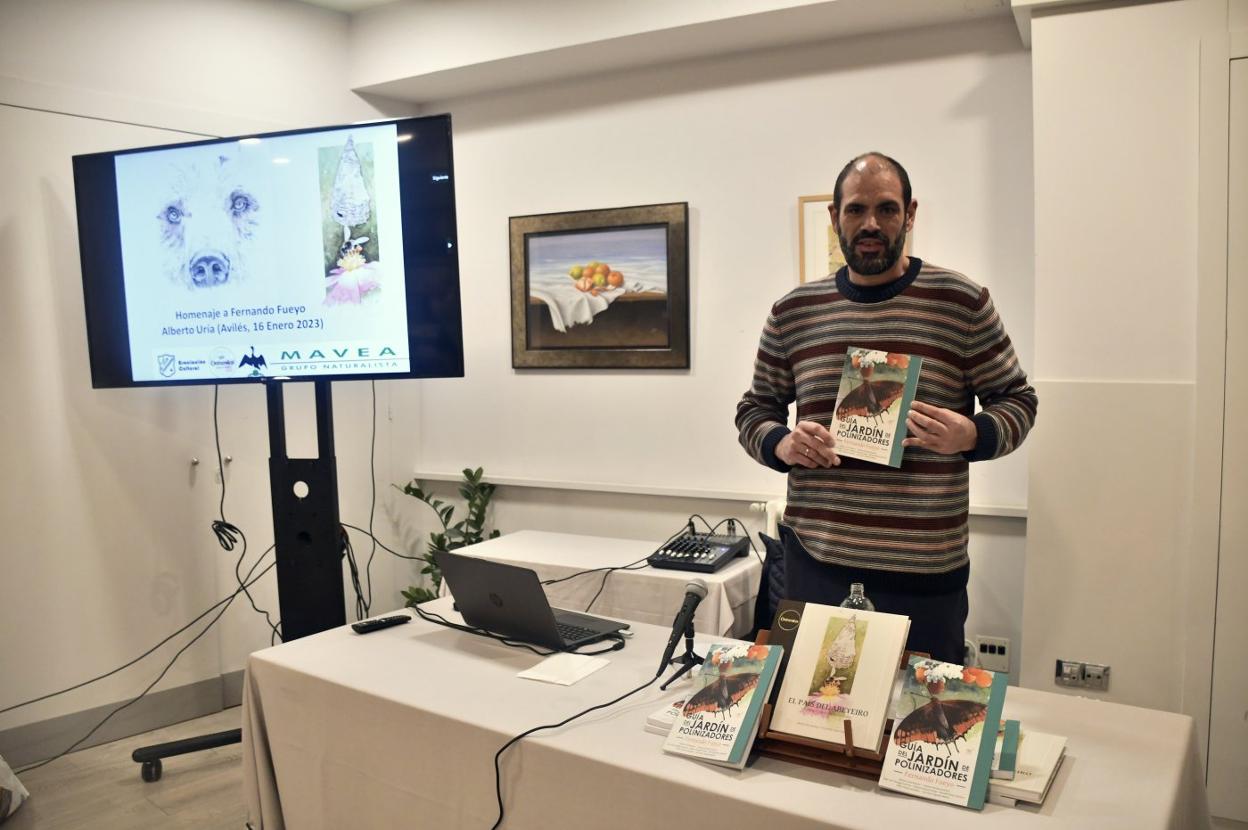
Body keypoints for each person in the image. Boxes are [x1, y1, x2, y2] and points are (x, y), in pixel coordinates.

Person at [735, 152, 1037, 664]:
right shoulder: (793, 312)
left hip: (924, 572)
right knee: (814, 722)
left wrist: (972, 434)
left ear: (910, 214)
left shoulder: (962, 303)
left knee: (915, 720)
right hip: (817, 563)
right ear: (835, 218)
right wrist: (781, 443)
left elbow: (1019, 402)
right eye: (855, 210)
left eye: (887, 209)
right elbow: (754, 410)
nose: (870, 224)